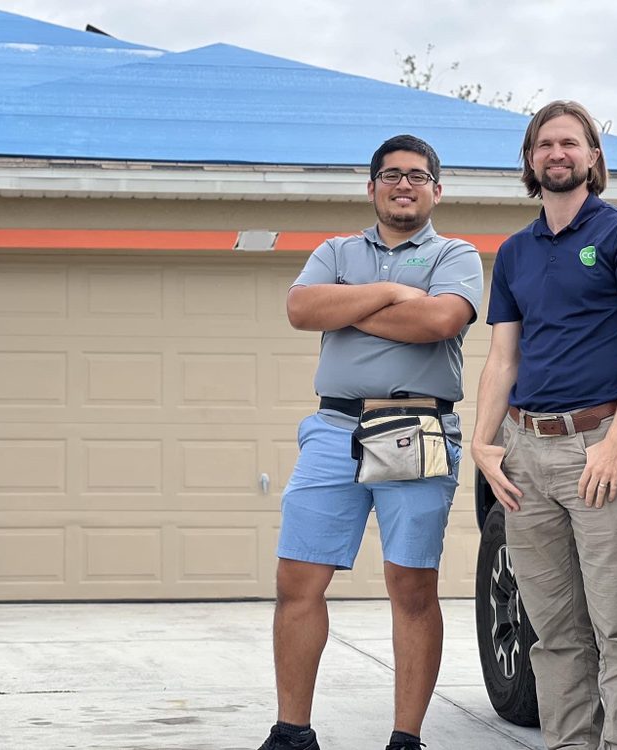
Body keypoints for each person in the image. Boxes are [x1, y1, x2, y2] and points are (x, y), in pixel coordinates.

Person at [256, 134, 484, 750]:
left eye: (416, 175)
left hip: (417, 430)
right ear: (372, 187)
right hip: (333, 432)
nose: (403, 185)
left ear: (436, 189)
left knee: (412, 586)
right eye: (391, 175)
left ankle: (405, 738)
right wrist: (388, 294)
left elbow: (440, 321)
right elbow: (301, 309)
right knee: (296, 581)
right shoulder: (334, 249)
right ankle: (292, 732)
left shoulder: (456, 254)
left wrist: (345, 308)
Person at [470, 100, 617, 750]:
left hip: (597, 449)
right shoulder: (515, 252)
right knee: (552, 633)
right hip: (525, 455)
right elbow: (503, 357)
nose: (557, 153)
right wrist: (483, 441)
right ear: (530, 160)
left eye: (570, 143)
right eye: (545, 144)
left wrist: (616, 443)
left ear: (593, 157)